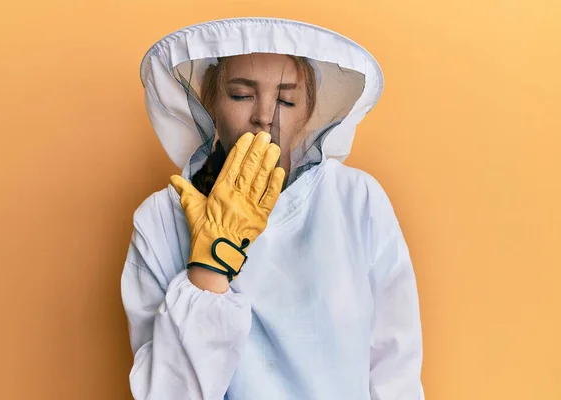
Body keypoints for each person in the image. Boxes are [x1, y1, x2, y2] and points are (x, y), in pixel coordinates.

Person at [121, 17, 425, 400]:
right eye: (241, 95)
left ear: (308, 110)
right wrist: (210, 267)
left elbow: (394, 369)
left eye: (286, 99)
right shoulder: (160, 220)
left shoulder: (357, 199)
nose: (265, 116)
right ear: (210, 103)